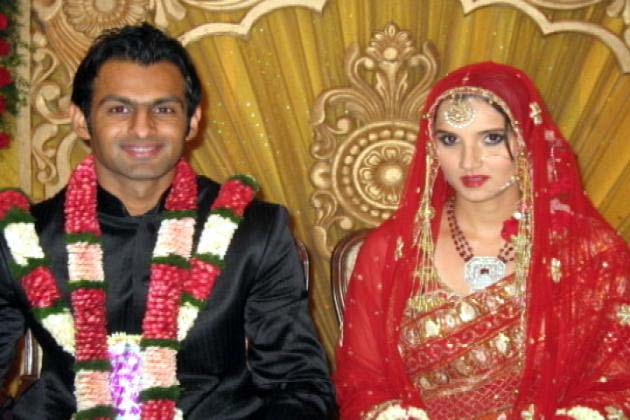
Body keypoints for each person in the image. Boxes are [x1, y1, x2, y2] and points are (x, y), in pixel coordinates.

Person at [0, 23, 335, 419]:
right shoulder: (24, 240)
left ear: (192, 121)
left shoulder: (253, 233)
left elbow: (299, 385)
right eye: (119, 109)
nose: (143, 128)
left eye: (164, 109)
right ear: (80, 119)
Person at [335, 62, 629, 419]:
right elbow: (363, 381)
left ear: (526, 138)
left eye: (491, 138)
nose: (469, 161)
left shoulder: (587, 253)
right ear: (431, 147)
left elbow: (618, 384)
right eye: (450, 140)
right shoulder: (393, 250)